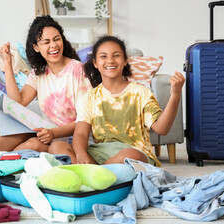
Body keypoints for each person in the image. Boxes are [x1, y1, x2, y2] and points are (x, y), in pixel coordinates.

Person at [48, 35, 185, 167]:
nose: (110, 60)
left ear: (125, 60)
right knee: (56, 146)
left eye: (116, 55)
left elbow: (162, 129)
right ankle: (100, 174)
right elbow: (81, 133)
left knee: (130, 154)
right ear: (95, 63)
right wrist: (81, 153)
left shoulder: (141, 92)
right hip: (100, 154)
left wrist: (175, 94)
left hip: (135, 155)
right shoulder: (89, 97)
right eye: (103, 56)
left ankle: (95, 174)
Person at [0, 15, 91, 152]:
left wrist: (54, 133)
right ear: (36, 47)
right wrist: (7, 62)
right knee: (12, 134)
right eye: (46, 42)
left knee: (30, 145)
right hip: (48, 133)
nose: (53, 45)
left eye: (57, 39)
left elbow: (85, 120)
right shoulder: (38, 73)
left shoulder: (77, 70)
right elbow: (17, 102)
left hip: (71, 137)